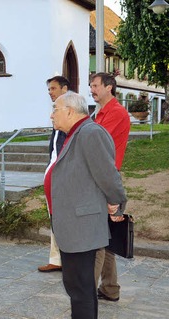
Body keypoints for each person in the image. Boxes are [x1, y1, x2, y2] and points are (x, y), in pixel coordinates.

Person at [47, 91, 126, 319]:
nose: (51, 115)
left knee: (81, 289)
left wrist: (117, 203)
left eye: (55, 109)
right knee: (76, 287)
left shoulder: (90, 133)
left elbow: (108, 175)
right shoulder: (75, 133)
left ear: (70, 111)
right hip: (73, 226)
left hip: (83, 227)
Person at [89, 72, 131, 303]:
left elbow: (95, 142)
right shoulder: (99, 112)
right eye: (91, 86)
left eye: (95, 85)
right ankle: (110, 288)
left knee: (97, 239)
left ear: (109, 87)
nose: (92, 89)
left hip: (105, 179)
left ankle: (88, 294)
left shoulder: (115, 113)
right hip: (102, 177)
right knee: (105, 239)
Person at [38, 75, 69, 273]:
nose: (50, 92)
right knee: (55, 216)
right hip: (55, 170)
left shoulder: (68, 112)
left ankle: (64, 258)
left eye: (54, 88)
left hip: (61, 173)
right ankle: (57, 259)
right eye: (49, 89)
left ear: (64, 89)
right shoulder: (59, 111)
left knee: (61, 217)